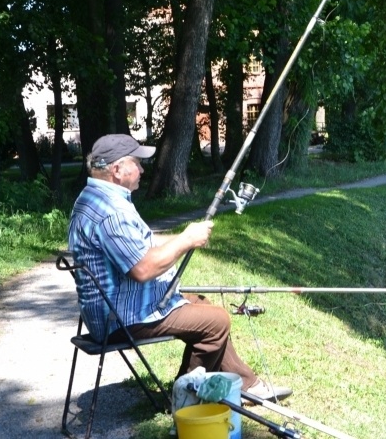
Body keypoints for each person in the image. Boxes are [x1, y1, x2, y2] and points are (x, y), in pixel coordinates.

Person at [68, 134, 291, 403]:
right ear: (117, 170)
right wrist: (185, 240)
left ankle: (246, 385)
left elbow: (140, 244)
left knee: (203, 306)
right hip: (119, 318)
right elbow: (142, 269)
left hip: (109, 309)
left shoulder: (94, 197)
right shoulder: (110, 211)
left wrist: (184, 237)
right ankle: (186, 401)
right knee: (216, 321)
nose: (141, 169)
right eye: (137, 163)